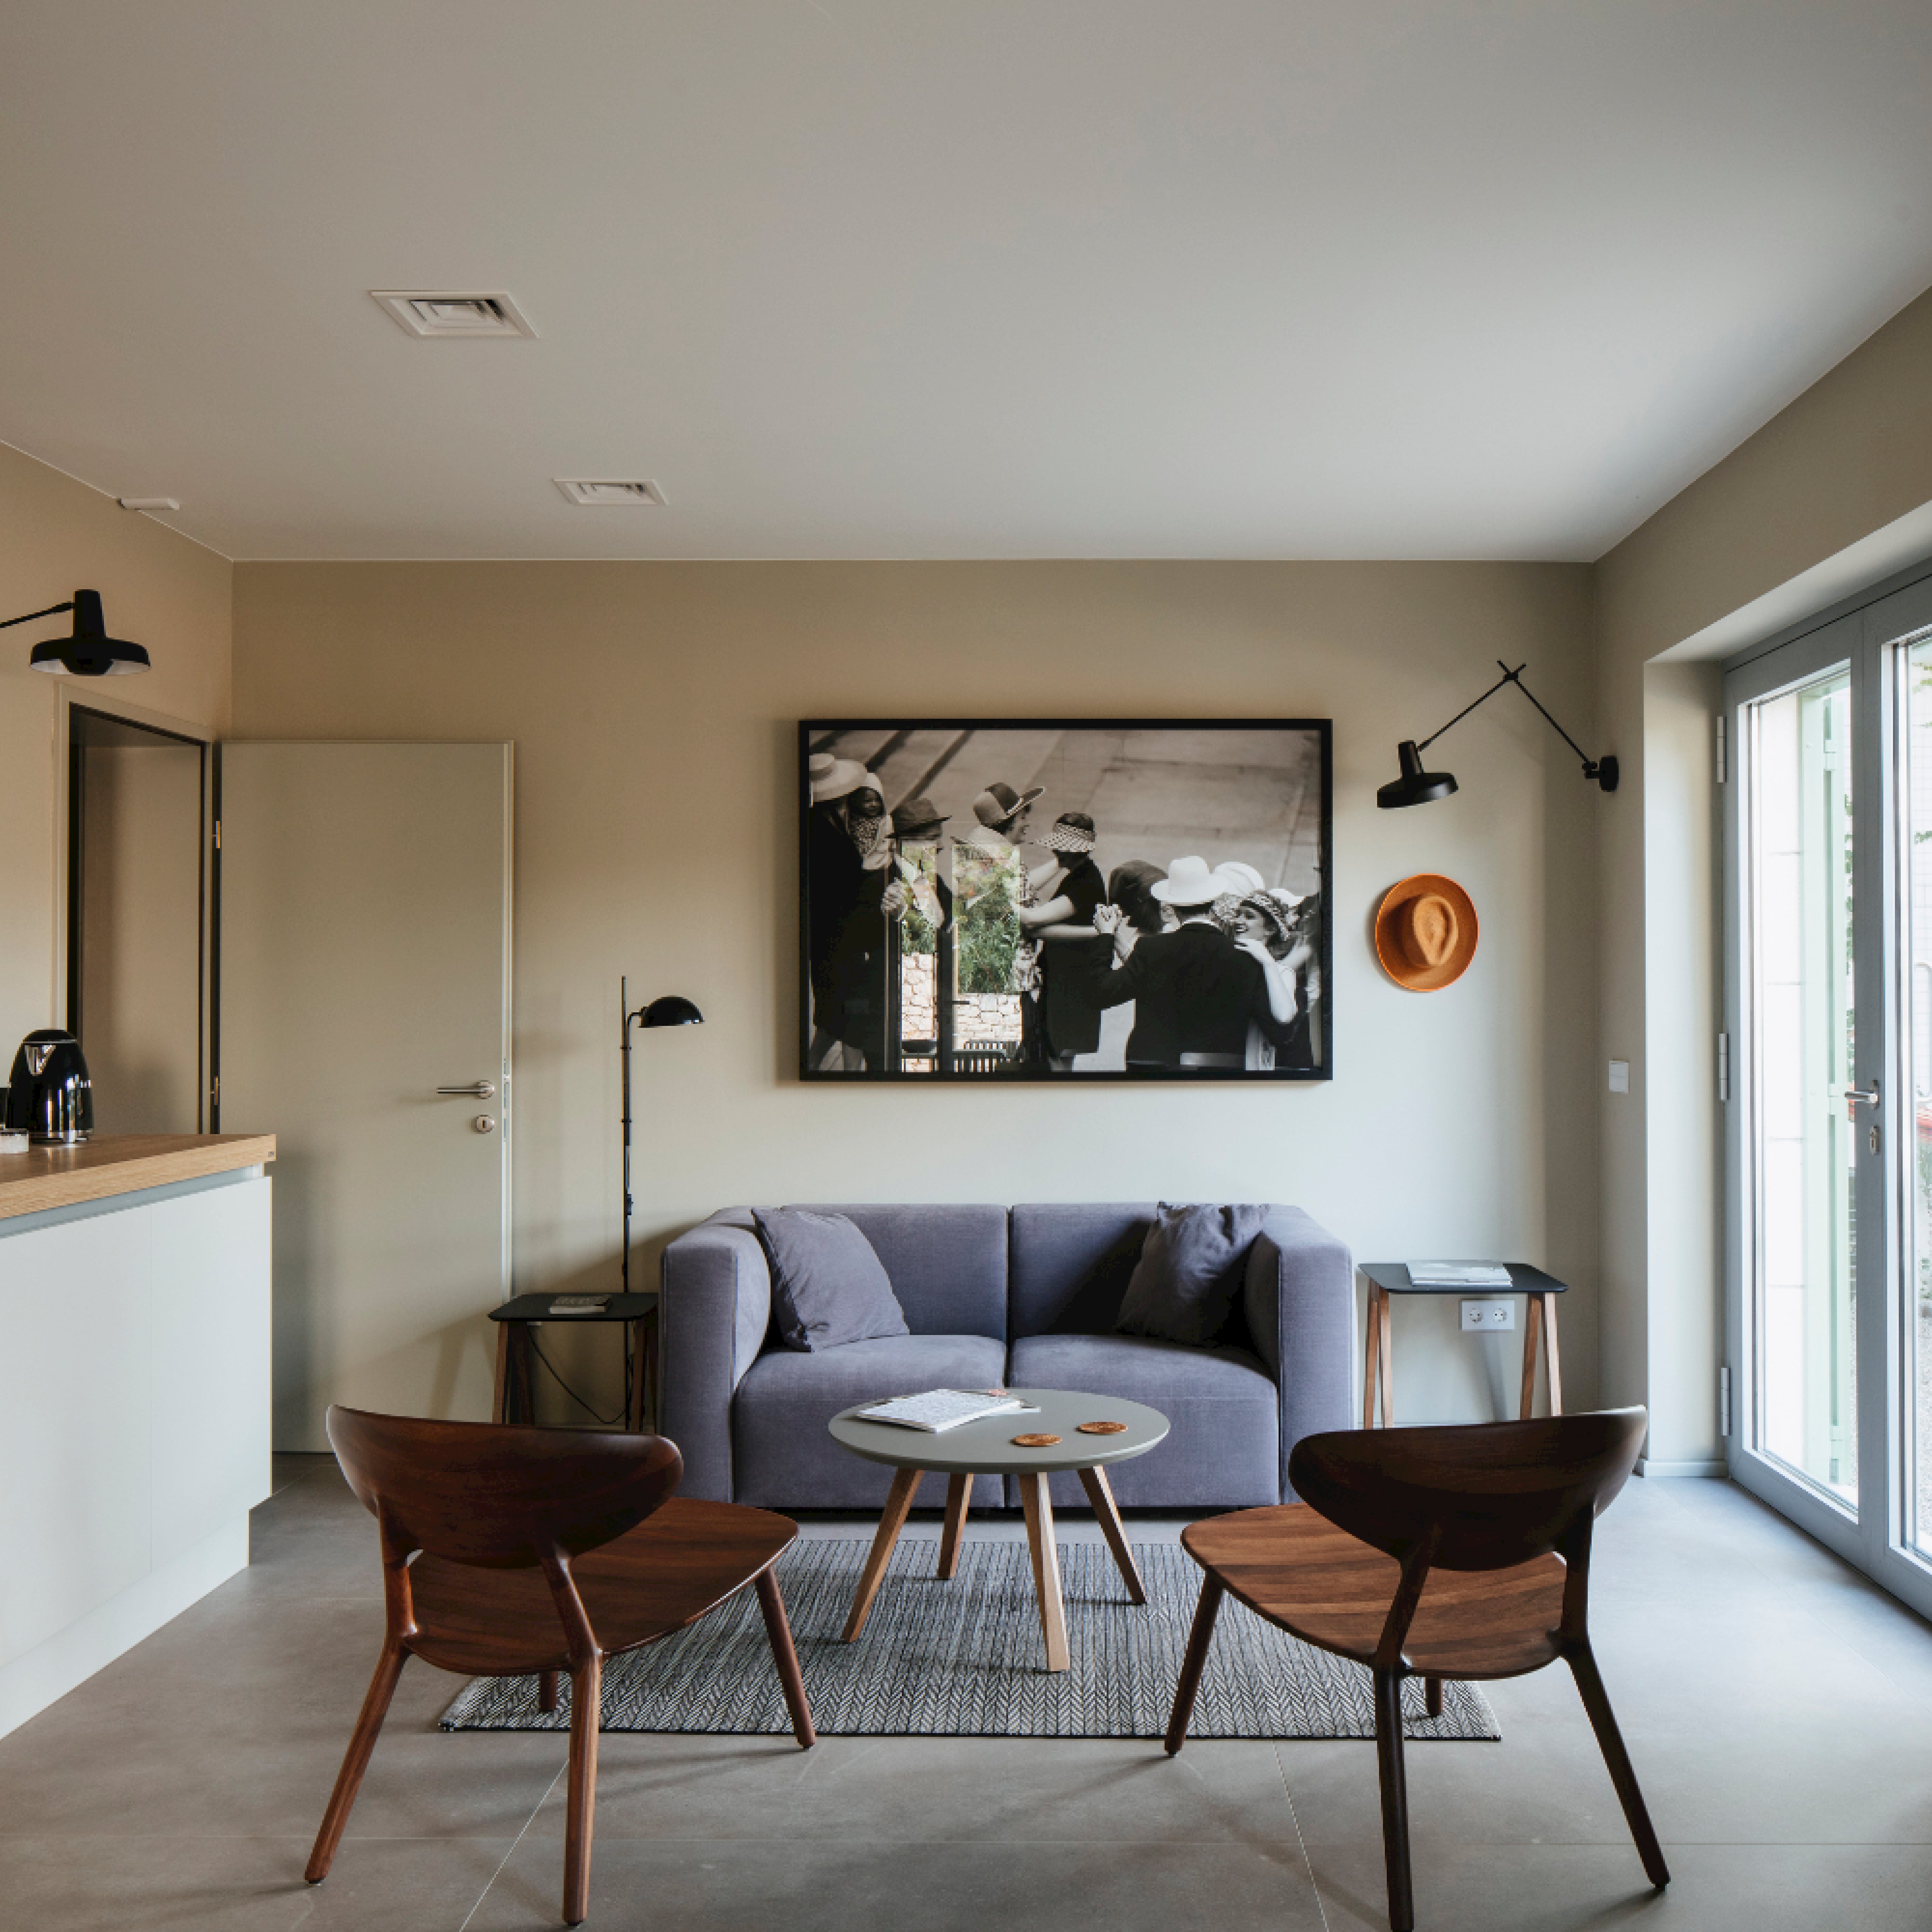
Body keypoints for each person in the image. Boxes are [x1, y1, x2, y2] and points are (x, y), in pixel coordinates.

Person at [1084, 855, 1297, 1070]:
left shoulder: (1151, 949)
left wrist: (1106, 936)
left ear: (1173, 905)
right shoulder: (1244, 957)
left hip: (1151, 1069)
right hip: (1216, 1074)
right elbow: (1279, 1031)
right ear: (1213, 903)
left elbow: (1100, 993)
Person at [804, 754, 891, 1070]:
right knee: (838, 1015)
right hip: (835, 942)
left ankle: (830, 1068)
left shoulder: (829, 824)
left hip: (836, 941)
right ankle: (823, 1067)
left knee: (837, 1016)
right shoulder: (821, 832)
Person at [1016, 810, 1109, 1070]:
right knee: (1059, 1052)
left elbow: (1033, 921)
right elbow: (1026, 889)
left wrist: (998, 901)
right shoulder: (1080, 875)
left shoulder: (1086, 884)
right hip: (1069, 977)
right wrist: (1060, 862)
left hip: (1072, 981)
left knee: (1059, 1054)